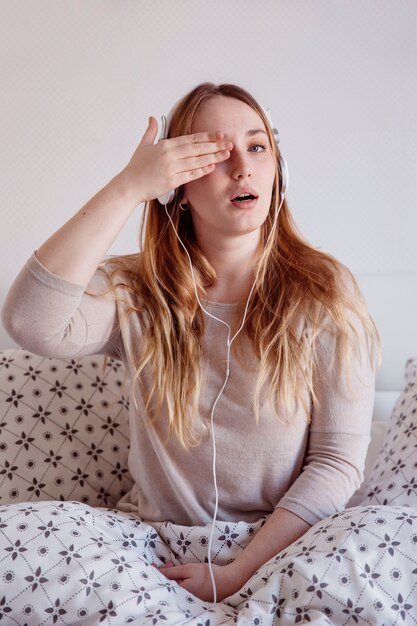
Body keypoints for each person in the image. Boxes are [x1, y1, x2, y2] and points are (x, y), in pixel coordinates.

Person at [1, 82, 380, 607]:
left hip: (281, 546)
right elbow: (28, 322)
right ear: (174, 184)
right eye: (215, 154)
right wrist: (127, 188)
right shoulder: (135, 292)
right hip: (152, 550)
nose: (243, 169)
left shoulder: (323, 290)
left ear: (279, 169)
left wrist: (235, 576)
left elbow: (337, 464)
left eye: (257, 146)